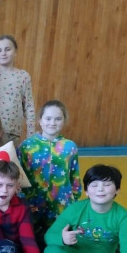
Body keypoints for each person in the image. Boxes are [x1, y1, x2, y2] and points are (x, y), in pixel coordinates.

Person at [17, 100, 82, 240]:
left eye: (58, 119)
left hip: (61, 204)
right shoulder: (26, 146)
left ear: (64, 121)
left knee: (57, 239)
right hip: (32, 202)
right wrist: (20, 198)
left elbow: (75, 175)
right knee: (31, 239)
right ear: (40, 120)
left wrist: (75, 200)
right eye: (48, 118)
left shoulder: (70, 147)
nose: (52, 123)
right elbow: (18, 176)